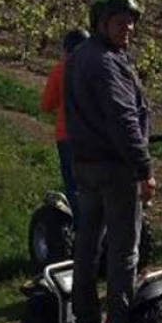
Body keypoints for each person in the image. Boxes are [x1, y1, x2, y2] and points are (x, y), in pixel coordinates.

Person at [64, 0, 153, 323]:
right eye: (120, 21)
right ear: (101, 24)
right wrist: (143, 168)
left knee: (87, 244)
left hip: (85, 163)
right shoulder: (106, 62)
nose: (128, 27)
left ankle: (85, 322)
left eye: (131, 21)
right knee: (123, 249)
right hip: (115, 167)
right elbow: (123, 119)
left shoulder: (80, 56)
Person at [40, 28, 90, 218]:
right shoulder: (98, 69)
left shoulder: (60, 69)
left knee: (73, 185)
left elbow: (46, 105)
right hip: (94, 136)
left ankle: (81, 230)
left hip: (67, 135)